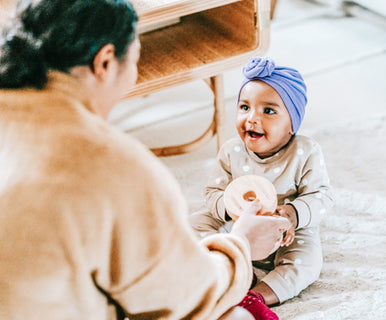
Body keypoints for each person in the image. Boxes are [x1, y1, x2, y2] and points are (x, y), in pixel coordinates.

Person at [0, 1, 290, 320]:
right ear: (106, 62)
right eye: (136, 60)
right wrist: (241, 245)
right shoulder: (111, 164)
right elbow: (183, 299)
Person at [190, 57, 335, 319]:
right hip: (236, 230)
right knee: (194, 224)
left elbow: (322, 196)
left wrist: (292, 214)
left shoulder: (304, 151)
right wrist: (229, 211)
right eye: (245, 107)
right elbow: (212, 192)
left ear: (292, 123)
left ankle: (255, 295)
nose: (252, 119)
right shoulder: (232, 150)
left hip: (285, 234)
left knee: (309, 260)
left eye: (268, 111)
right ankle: (227, 272)